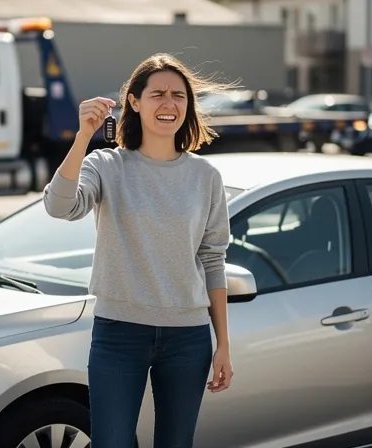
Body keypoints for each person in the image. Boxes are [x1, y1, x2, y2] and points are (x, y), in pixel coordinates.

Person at [42, 53, 235, 448]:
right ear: (134, 101)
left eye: (179, 96)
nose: (169, 105)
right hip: (119, 333)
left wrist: (223, 346)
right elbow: (59, 207)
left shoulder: (206, 177)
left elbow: (213, 260)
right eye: (158, 94)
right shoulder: (107, 165)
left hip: (188, 337)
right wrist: (83, 136)